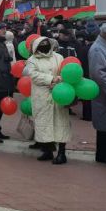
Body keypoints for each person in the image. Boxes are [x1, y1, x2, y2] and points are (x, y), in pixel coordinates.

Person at [25, 36, 69, 164]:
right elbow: (33, 74)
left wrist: (59, 80)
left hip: (59, 94)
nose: (44, 45)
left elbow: (65, 71)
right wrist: (50, 79)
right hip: (42, 96)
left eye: (46, 43)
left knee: (61, 124)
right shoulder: (32, 60)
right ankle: (48, 151)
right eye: (42, 43)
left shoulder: (58, 57)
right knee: (44, 124)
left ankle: (62, 153)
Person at [89, 23, 106, 164]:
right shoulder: (98, 49)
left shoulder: (105, 46)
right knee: (105, 126)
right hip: (104, 94)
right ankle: (103, 156)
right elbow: (99, 75)